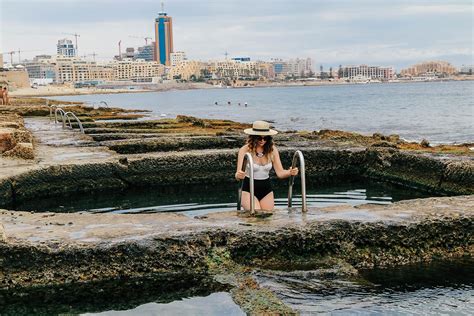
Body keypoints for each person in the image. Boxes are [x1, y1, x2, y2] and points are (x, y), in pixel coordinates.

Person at [235, 120, 298, 211]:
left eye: (266, 138)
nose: (262, 141)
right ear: (253, 137)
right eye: (259, 138)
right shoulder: (244, 150)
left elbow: (280, 173)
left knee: (268, 218)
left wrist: (291, 172)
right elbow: (237, 174)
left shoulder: (272, 150)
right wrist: (239, 175)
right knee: (256, 216)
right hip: (248, 188)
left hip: (266, 189)